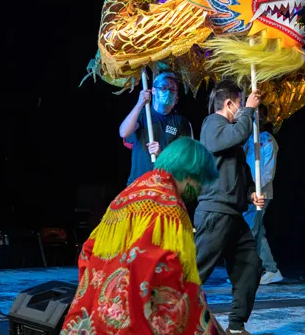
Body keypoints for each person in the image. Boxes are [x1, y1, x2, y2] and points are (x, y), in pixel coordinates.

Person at [61, 137, 223, 335]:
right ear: (190, 174)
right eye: (200, 181)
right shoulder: (170, 207)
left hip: (95, 312)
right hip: (133, 315)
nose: (199, 190)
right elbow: (169, 269)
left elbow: (88, 250)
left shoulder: (129, 193)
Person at [196, 80, 265, 335]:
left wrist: (250, 195)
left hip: (232, 214)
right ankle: (164, 317)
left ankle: (236, 326)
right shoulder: (212, 124)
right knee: (197, 271)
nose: (243, 108)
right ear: (229, 104)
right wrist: (248, 110)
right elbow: (237, 134)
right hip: (215, 212)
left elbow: (243, 177)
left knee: (251, 265)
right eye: (239, 103)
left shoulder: (232, 139)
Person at [119, 72, 193, 186]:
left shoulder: (181, 123)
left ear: (177, 97)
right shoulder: (142, 114)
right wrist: (140, 103)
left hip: (166, 186)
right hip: (138, 185)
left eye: (172, 89)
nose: (167, 91)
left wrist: (161, 154)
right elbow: (123, 132)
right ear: (153, 91)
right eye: (163, 88)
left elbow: (185, 160)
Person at [242, 105, 282, 285]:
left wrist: (255, 189)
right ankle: (272, 269)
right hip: (249, 192)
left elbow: (267, 172)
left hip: (260, 194)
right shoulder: (250, 138)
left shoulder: (268, 141)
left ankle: (247, 271)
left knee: (250, 231)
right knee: (257, 233)